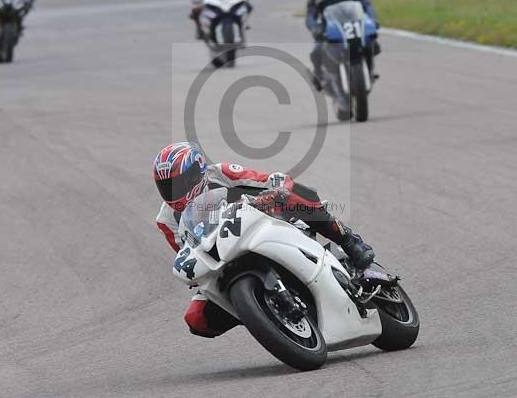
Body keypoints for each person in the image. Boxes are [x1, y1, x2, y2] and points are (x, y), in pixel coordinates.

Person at [153, 141, 376, 338]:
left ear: (196, 173)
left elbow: (275, 180)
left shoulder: (221, 173)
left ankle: (348, 240)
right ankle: (261, 312)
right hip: (223, 253)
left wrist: (270, 194)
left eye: (179, 183)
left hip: (263, 219)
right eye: (167, 187)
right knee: (196, 319)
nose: (174, 192)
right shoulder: (166, 219)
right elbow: (187, 251)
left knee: (295, 194)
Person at [305, 0, 379, 89]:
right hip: (329, 28)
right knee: (315, 52)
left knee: (371, 42)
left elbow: (367, 5)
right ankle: (319, 76)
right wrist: (315, 28)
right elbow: (310, 15)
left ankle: (369, 70)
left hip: (353, 24)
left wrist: (373, 19)